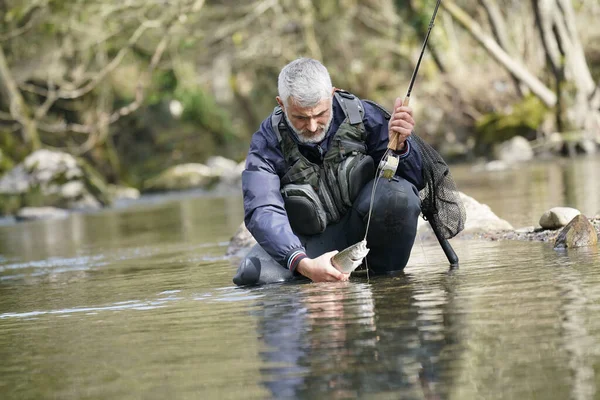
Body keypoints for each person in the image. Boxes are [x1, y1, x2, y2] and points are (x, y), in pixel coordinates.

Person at [233, 58, 424, 286]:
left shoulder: (363, 116)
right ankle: (314, 287)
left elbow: (415, 180)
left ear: (332, 95)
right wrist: (302, 264)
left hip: (363, 230)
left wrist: (403, 147)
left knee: (400, 197)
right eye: (301, 117)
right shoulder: (266, 142)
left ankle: (386, 282)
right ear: (281, 105)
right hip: (309, 242)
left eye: (320, 114)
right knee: (252, 275)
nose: (312, 127)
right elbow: (262, 209)